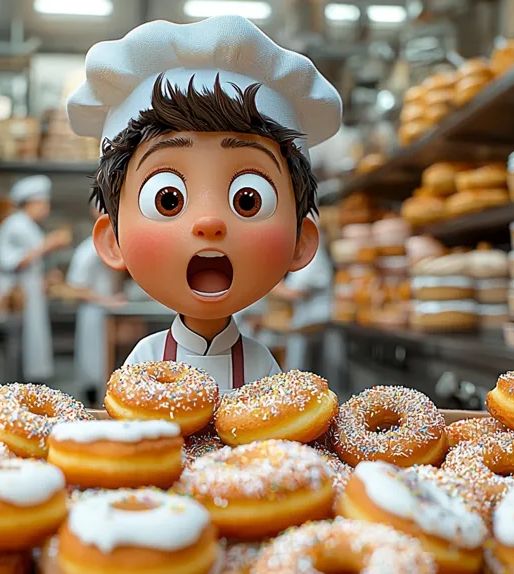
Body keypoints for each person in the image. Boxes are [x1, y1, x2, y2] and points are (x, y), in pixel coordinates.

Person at [65, 15, 342, 390]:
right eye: (168, 200)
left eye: (248, 200)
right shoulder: (144, 361)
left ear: (301, 242)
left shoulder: (261, 363)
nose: (209, 221)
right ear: (112, 241)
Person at [0, 175, 71, 381]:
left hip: (32, 297)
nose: (46, 208)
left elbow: (31, 266)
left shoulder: (29, 227)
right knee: (17, 355)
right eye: (43, 203)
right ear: (32, 202)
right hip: (17, 301)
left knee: (31, 352)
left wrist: (46, 279)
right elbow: (11, 262)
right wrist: (48, 244)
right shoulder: (15, 224)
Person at [65, 203, 126, 392]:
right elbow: (76, 288)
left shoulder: (115, 243)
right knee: (95, 368)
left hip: (108, 312)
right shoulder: (87, 250)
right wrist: (107, 301)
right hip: (94, 314)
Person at [270, 218, 333, 371]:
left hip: (315, 327)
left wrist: (266, 284)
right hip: (305, 325)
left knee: (309, 374)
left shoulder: (314, 257)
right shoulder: (303, 256)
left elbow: (295, 293)